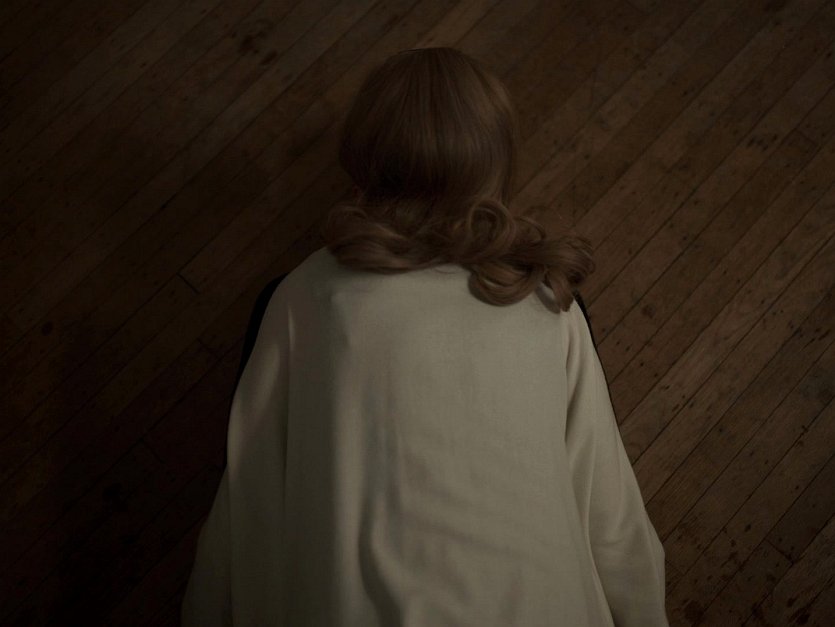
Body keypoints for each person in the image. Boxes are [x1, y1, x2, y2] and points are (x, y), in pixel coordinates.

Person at [181, 47, 668, 626]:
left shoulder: (304, 298)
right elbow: (611, 514)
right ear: (497, 160)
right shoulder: (546, 301)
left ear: (364, 155)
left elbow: (250, 501)